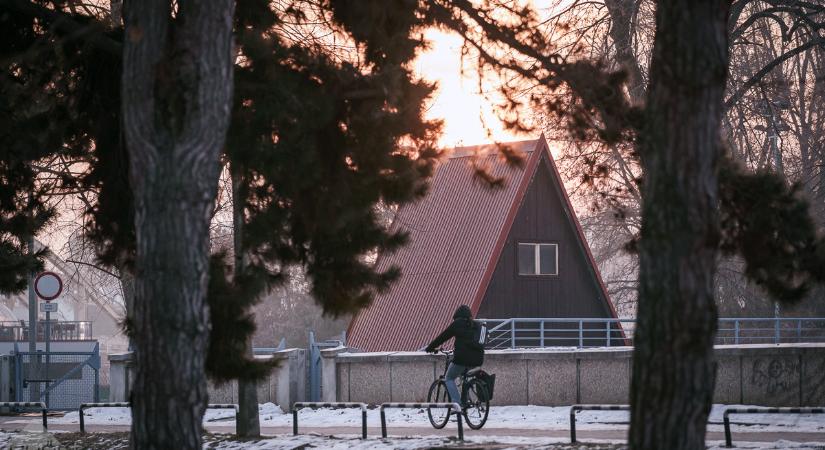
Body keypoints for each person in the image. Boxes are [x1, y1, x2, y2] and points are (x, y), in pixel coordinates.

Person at [424, 304, 484, 406]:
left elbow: (443, 337)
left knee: (449, 378)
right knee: (463, 375)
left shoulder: (457, 324)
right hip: (477, 360)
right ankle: (466, 398)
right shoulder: (476, 325)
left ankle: (457, 404)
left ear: (457, 316)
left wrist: (430, 347)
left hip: (462, 359)